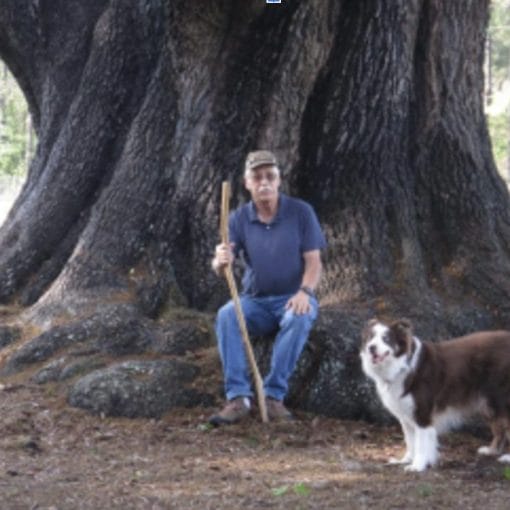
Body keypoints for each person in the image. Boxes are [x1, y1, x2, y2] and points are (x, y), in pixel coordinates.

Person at [209, 150, 326, 426]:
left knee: (299, 317)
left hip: (293, 296)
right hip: (256, 301)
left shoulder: (301, 212)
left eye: (270, 176)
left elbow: (314, 262)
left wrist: (304, 292)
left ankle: (273, 397)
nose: (264, 182)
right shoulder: (238, 218)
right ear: (247, 183)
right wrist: (220, 260)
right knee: (227, 315)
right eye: (257, 177)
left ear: (279, 181)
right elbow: (222, 263)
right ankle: (238, 398)